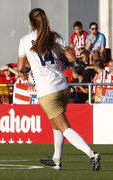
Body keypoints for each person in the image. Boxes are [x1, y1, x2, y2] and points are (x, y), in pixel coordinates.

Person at [17, 8, 101, 171]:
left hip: (47, 90)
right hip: (62, 86)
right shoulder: (54, 37)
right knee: (55, 124)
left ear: (30, 23)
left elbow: (20, 68)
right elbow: (71, 58)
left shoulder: (25, 40)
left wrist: (30, 69)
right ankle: (56, 160)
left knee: (64, 127)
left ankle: (92, 154)